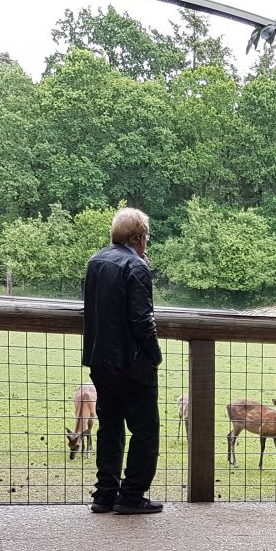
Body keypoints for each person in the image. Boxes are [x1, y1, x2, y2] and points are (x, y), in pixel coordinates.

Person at [81, 207, 165, 515]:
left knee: (109, 426)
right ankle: (131, 496)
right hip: (132, 364)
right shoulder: (136, 266)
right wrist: (154, 356)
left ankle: (104, 494)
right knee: (145, 430)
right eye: (147, 237)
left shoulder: (96, 261)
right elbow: (143, 319)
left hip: (99, 359)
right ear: (138, 237)